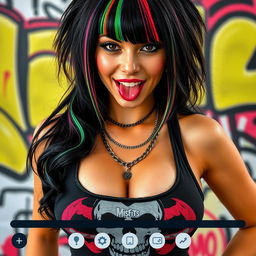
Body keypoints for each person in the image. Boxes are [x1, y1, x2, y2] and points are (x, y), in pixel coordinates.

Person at [26, 0, 256, 255]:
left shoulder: (200, 137)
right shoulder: (56, 137)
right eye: (111, 46)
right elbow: (43, 238)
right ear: (89, 51)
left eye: (148, 47)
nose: (130, 66)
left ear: (171, 52)